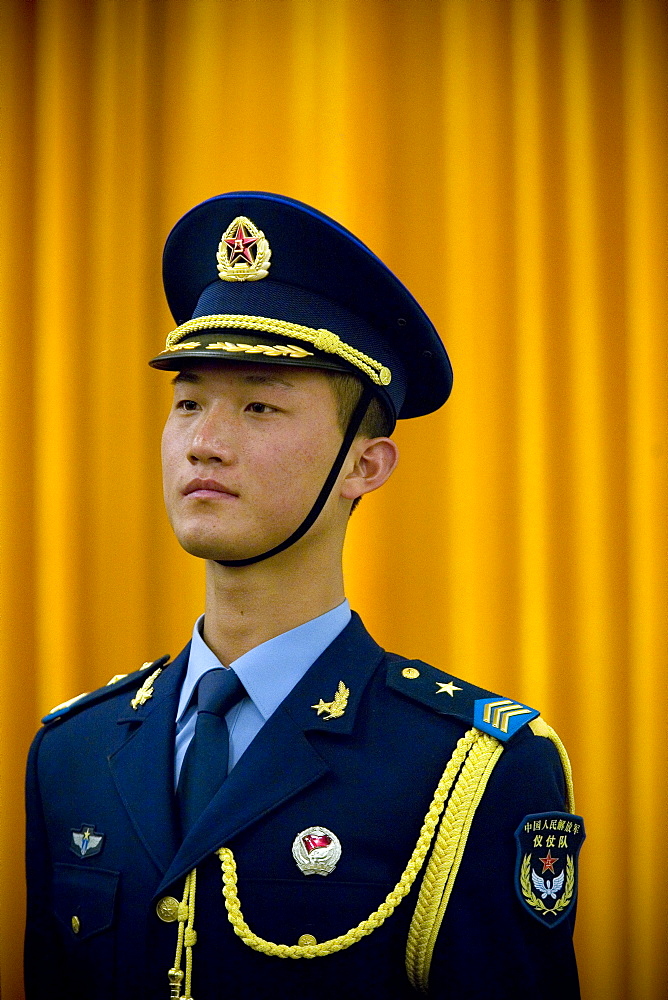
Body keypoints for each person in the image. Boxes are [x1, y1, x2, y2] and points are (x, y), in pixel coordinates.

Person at [25, 192, 584, 1000]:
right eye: (187, 402)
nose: (204, 443)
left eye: (259, 405)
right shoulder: (72, 752)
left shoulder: (473, 772)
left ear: (367, 466)